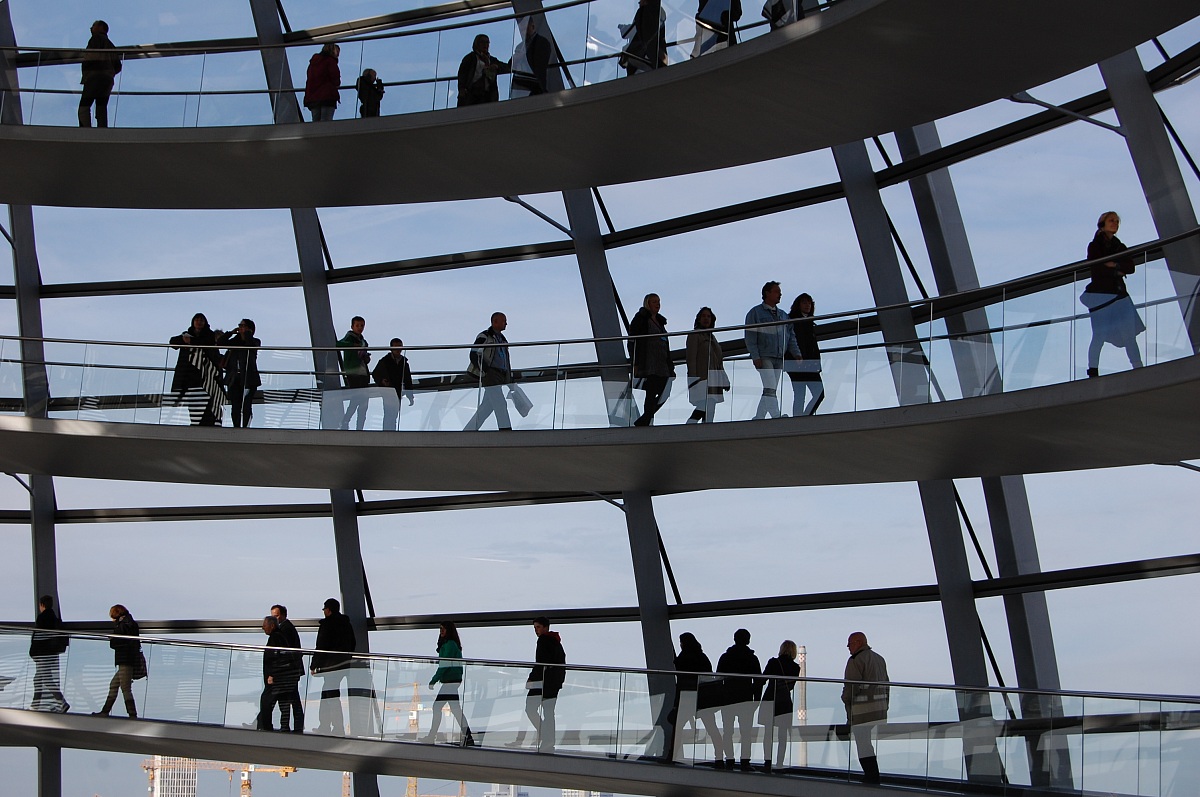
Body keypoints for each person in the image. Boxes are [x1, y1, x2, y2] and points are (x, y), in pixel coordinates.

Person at [1082, 211, 1144, 378]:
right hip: (1101, 296)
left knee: (1129, 334)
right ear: (1102, 223)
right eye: (1111, 221)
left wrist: (1113, 265)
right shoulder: (1095, 245)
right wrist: (1118, 268)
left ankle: (1138, 368)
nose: (1115, 224)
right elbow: (1097, 267)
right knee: (1099, 334)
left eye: (1117, 221)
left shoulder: (1119, 246)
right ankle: (1093, 370)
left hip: (1118, 295)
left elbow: (1130, 267)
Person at [745, 281, 801, 420]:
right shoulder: (755, 313)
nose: (779, 294)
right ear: (767, 293)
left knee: (770, 389)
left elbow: (790, 336)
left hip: (779, 356)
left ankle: (759, 417)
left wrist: (796, 353)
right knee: (770, 387)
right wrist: (755, 356)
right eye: (776, 291)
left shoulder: (783, 315)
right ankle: (776, 415)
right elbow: (750, 336)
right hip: (764, 356)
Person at [842, 631, 889, 784]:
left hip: (862, 711)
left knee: (862, 743)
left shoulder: (856, 660)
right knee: (866, 743)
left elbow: (852, 687)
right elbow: (887, 685)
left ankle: (871, 776)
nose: (848, 647)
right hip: (879, 710)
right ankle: (873, 775)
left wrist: (845, 698)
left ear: (859, 643)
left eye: (850, 644)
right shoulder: (879, 659)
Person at [671, 632, 723, 765]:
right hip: (702, 698)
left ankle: (672, 755)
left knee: (677, 728)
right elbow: (708, 677)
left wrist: (676, 703)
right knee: (712, 728)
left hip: (686, 697)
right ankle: (719, 757)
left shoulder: (683, 658)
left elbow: (681, 680)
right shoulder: (702, 657)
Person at [516, 616, 566, 752]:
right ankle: (548, 740)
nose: (536, 631)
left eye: (538, 627)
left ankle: (545, 736)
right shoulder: (556, 642)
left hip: (543, 682)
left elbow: (540, 663)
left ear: (545, 627)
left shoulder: (543, 640)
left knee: (530, 707)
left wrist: (531, 680)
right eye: (534, 628)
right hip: (553, 683)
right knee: (549, 712)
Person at [715, 628, 762, 771]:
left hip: (728, 699)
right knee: (746, 732)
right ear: (748, 640)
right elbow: (758, 681)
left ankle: (729, 760)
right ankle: (745, 761)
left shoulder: (725, 657)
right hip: (746, 700)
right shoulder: (752, 659)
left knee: (728, 732)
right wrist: (756, 700)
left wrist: (721, 697)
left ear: (734, 639)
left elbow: (718, 678)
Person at [423, 621, 475, 747]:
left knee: (437, 707)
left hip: (450, 682)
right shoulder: (449, 644)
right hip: (452, 681)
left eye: (443, 629)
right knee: (455, 709)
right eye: (440, 629)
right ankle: (468, 737)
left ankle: (431, 736)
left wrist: (433, 680)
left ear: (448, 630)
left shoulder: (450, 644)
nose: (441, 631)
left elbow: (444, 664)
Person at [310, 597, 356, 736]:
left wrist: (314, 665)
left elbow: (321, 646)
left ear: (328, 610)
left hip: (330, 666)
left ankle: (334, 727)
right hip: (342, 666)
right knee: (329, 694)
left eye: (324, 609)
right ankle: (328, 726)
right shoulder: (346, 624)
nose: (324, 611)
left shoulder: (327, 624)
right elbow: (352, 643)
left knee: (330, 696)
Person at [628, 293, 674, 427]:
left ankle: (645, 418)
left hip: (662, 363)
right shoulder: (641, 319)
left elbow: (666, 345)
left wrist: (670, 366)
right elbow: (632, 340)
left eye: (659, 301)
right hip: (649, 361)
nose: (657, 304)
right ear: (647, 303)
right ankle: (646, 418)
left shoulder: (660, 322)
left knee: (665, 390)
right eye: (654, 301)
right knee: (652, 390)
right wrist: (635, 361)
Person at [169, 313, 223, 426]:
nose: (199, 322)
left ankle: (208, 423)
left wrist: (190, 341)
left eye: (201, 320)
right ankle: (196, 421)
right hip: (190, 373)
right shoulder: (187, 334)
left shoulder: (209, 335)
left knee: (207, 398)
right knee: (193, 399)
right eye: (197, 320)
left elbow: (205, 343)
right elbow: (173, 342)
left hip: (206, 373)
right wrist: (184, 339)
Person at [464, 312, 514, 431]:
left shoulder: (502, 339)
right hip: (491, 374)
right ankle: (506, 431)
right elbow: (473, 353)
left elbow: (506, 360)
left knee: (487, 407)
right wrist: (485, 369)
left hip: (500, 375)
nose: (506, 323)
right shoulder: (485, 336)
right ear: (495, 321)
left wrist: (509, 378)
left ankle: (468, 431)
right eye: (504, 321)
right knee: (500, 403)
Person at [758, 639, 800, 771]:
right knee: (783, 735)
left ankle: (767, 762)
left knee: (767, 734)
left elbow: (763, 679)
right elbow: (791, 687)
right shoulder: (795, 668)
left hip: (770, 699)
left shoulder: (773, 662)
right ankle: (780, 763)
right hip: (785, 702)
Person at [93, 604, 141, 718]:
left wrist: (112, 639)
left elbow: (116, 643)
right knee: (114, 685)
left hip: (124, 660)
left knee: (125, 688)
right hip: (130, 659)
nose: (112, 619)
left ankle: (132, 714)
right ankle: (105, 711)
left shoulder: (122, 625)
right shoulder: (131, 624)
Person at [258, 615, 304, 732]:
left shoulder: (275, 638)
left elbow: (276, 658)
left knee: (266, 701)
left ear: (272, 625)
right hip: (284, 677)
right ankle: (284, 727)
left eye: (264, 625)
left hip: (277, 678)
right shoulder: (280, 636)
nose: (263, 628)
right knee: (284, 702)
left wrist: (272, 675)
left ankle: (266, 727)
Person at [685, 306, 728, 423]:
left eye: (708, 316)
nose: (706, 319)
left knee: (710, 406)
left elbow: (719, 362)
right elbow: (691, 359)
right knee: (703, 405)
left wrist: (724, 380)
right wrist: (693, 380)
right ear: (698, 319)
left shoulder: (713, 338)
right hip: (701, 378)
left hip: (714, 378)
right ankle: (690, 426)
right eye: (703, 316)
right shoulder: (695, 335)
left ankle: (706, 427)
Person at [29, 595, 69, 713]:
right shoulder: (54, 619)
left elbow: (39, 638)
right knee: (38, 678)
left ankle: (61, 702)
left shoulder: (43, 618)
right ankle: (35, 704)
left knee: (45, 678)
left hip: (43, 654)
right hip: (50, 653)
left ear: (42, 605)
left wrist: (33, 652)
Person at [218, 319, 261, 429]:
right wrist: (231, 333)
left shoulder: (255, 341)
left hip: (248, 378)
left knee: (246, 404)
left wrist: (247, 334)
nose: (241, 327)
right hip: (234, 378)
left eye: (243, 326)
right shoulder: (234, 341)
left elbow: (250, 345)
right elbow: (220, 343)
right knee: (235, 405)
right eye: (240, 325)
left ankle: (246, 427)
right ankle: (236, 427)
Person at [78, 20, 121, 128]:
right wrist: (109, 72)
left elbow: (91, 56)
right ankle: (102, 131)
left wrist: (88, 71)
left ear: (101, 27)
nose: (91, 28)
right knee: (101, 107)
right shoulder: (112, 46)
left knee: (84, 107)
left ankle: (85, 131)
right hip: (107, 79)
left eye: (93, 26)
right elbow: (118, 66)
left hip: (94, 76)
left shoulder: (96, 39)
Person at [787, 293, 824, 416]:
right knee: (800, 394)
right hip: (797, 363)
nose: (807, 305)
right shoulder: (793, 320)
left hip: (809, 364)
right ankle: (800, 419)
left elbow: (813, 346)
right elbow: (793, 342)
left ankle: (803, 417)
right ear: (798, 305)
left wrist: (817, 364)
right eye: (804, 302)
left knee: (818, 393)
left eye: (809, 303)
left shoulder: (809, 322)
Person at [372, 337, 415, 430]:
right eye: (396, 347)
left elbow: (408, 379)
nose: (398, 349)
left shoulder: (403, 362)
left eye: (400, 347)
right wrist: (382, 381)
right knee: (388, 414)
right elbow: (375, 373)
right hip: (388, 391)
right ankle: (388, 432)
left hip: (397, 391)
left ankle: (391, 432)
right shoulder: (385, 361)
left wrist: (410, 395)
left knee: (394, 414)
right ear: (391, 348)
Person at [337, 316, 371, 431]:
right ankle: (346, 421)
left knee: (363, 402)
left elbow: (364, 356)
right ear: (352, 326)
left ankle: (358, 427)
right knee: (357, 398)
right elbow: (338, 344)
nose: (360, 328)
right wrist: (353, 346)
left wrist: (366, 357)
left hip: (363, 373)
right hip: (353, 372)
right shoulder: (350, 338)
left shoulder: (363, 341)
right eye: (357, 325)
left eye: (362, 325)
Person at [457, 35, 511, 107]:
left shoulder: (492, 60)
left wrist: (496, 67)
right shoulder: (470, 58)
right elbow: (462, 75)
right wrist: (462, 90)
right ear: (477, 44)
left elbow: (507, 67)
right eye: (482, 42)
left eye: (487, 42)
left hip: (488, 95)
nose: (485, 45)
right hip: (472, 94)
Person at [619, 0, 667, 76]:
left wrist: (624, 28)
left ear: (645, 1)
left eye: (640, 1)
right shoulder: (655, 12)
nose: (639, 3)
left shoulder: (646, 12)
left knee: (631, 62)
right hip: (653, 57)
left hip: (647, 56)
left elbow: (637, 32)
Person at [510, 17, 553, 98]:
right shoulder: (520, 46)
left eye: (525, 28)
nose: (523, 32)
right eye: (521, 29)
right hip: (520, 86)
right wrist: (518, 58)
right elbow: (510, 65)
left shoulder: (542, 42)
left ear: (532, 26)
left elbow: (540, 65)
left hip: (533, 85)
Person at [304, 43, 341, 122]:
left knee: (316, 123)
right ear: (332, 50)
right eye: (337, 51)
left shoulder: (313, 63)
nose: (338, 54)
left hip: (313, 96)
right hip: (327, 96)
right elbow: (335, 78)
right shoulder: (330, 61)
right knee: (326, 122)